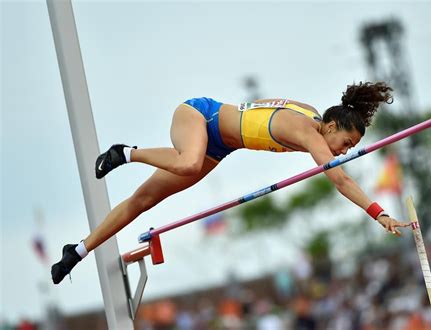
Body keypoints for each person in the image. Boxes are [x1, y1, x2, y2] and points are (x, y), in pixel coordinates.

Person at [51, 81, 410, 284]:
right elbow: (341, 180)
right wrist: (378, 214)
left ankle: (77, 251)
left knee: (144, 200)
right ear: (331, 127)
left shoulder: (311, 114)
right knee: (188, 163)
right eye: (346, 143)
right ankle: (126, 153)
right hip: (199, 114)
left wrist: (242, 119)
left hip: (219, 145)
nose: (345, 151)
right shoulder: (310, 133)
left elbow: (259, 107)